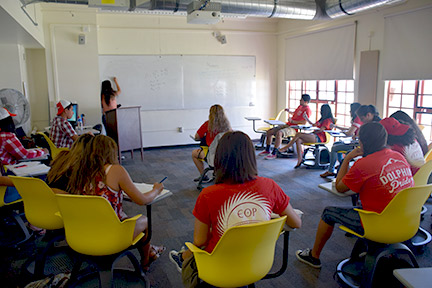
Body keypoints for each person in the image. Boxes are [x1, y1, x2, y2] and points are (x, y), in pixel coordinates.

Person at [169, 131, 302, 285]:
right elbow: (296, 223)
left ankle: (183, 257)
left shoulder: (208, 195)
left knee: (191, 251)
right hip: (257, 264)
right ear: (251, 157)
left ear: (219, 159)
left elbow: (200, 241)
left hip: (219, 267)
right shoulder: (270, 186)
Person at [296, 122, 414, 268]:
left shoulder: (364, 164)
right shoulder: (399, 157)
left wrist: (347, 158)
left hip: (378, 224)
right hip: (407, 221)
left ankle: (314, 257)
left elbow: (340, 188)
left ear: (363, 142)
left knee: (328, 212)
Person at [47, 135, 165, 271]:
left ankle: (149, 251)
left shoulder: (80, 172)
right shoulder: (115, 170)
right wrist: (156, 190)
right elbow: (142, 200)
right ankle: (145, 262)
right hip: (111, 235)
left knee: (124, 216)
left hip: (82, 231)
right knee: (144, 220)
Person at [320, 103, 362, 178]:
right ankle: (341, 164)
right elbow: (350, 129)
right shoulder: (358, 119)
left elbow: (349, 133)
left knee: (334, 148)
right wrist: (337, 127)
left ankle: (331, 170)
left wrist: (344, 132)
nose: (350, 112)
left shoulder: (357, 119)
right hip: (355, 142)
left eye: (351, 110)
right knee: (336, 143)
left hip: (356, 145)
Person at [191, 104, 231, 182]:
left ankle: (203, 175)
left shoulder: (208, 124)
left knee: (194, 153)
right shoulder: (227, 126)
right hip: (226, 155)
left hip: (212, 155)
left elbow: (197, 137)